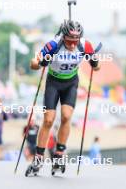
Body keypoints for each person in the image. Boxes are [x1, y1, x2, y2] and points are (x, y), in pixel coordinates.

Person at [27, 20, 100, 173]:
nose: (73, 45)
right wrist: (40, 62)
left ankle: (59, 153)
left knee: (66, 117)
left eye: (75, 41)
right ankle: (39, 156)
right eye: (69, 41)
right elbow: (34, 63)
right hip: (53, 83)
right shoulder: (53, 45)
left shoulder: (84, 45)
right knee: (48, 120)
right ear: (63, 37)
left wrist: (95, 62)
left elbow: (97, 67)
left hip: (71, 83)